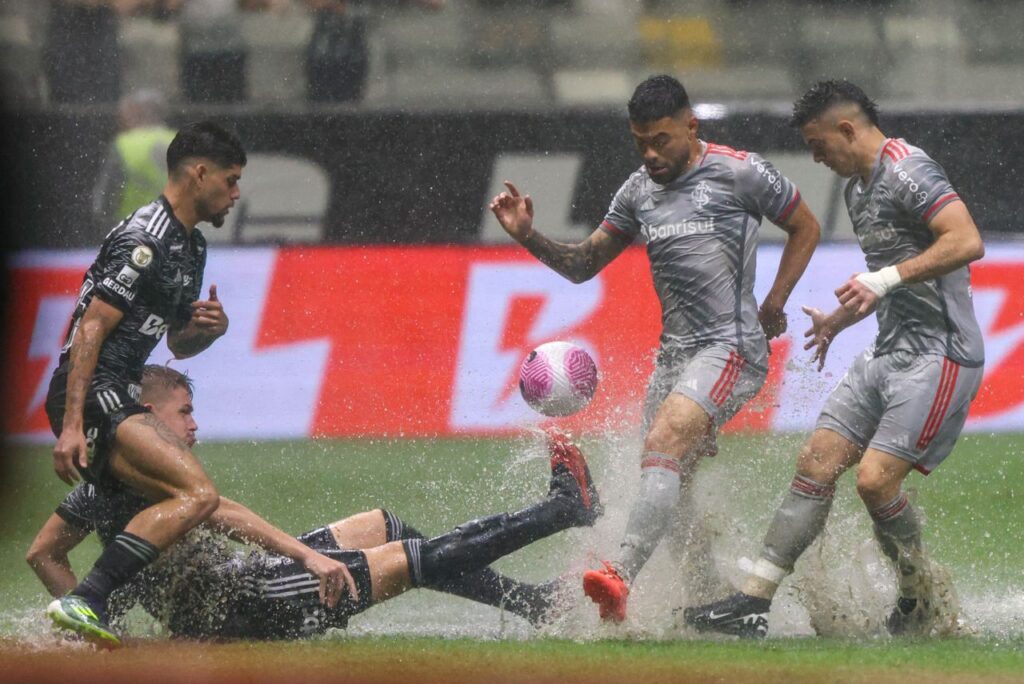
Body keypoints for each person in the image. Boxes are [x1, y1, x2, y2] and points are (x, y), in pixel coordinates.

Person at [489, 74, 821, 622]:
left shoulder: (740, 171)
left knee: (664, 441)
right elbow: (582, 266)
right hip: (675, 357)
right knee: (667, 482)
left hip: (731, 346)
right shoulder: (637, 191)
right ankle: (711, 603)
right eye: (639, 141)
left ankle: (619, 576)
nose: (650, 153)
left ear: (691, 126)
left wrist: (772, 304)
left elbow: (804, 226)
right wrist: (528, 236)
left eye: (661, 139)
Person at [684, 80, 985, 638]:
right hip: (889, 351)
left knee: (873, 483)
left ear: (847, 129)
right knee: (816, 461)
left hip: (940, 355)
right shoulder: (858, 190)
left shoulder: (909, 170)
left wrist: (887, 276)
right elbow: (886, 283)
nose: (817, 158)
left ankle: (922, 594)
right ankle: (753, 600)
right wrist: (842, 319)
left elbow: (966, 241)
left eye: (819, 145)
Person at [29, 365, 602, 643]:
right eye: (183, 412)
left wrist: (99, 621)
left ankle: (528, 601)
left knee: (384, 524)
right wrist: (309, 559)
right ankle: (560, 510)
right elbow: (224, 514)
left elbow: (43, 554)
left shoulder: (102, 484)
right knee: (410, 556)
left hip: (241, 585)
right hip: (251, 603)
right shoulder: (159, 482)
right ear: (149, 416)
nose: (194, 424)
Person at [44, 121, 253, 645]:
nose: (236, 193)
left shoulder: (191, 247)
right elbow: (90, 326)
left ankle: (93, 615)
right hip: (94, 392)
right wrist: (72, 426)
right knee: (197, 493)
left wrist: (210, 331)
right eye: (230, 180)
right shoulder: (144, 238)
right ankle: (85, 600)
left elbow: (177, 345)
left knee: (167, 503)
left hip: (118, 393)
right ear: (198, 173)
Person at [91, 90, 177, 232]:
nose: (121, 119)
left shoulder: (125, 144)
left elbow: (106, 195)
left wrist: (102, 220)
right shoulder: (180, 140)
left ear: (137, 112)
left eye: (125, 114)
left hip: (133, 229)